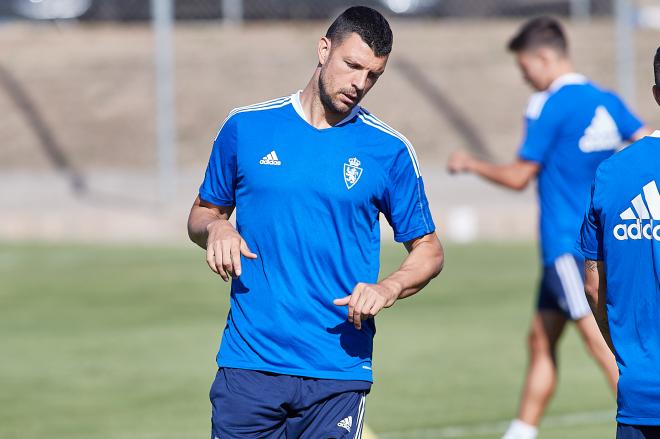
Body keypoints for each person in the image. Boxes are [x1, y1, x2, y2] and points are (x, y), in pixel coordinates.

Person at [187, 6, 444, 438]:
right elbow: (202, 213)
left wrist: (388, 287)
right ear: (324, 49)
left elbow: (429, 250)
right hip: (249, 363)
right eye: (353, 66)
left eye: (373, 75)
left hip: (338, 368)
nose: (360, 84)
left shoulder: (389, 150)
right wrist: (217, 227)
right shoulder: (246, 127)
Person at [447, 17, 649, 439]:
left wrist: (471, 164)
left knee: (600, 342)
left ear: (543, 57)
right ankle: (522, 431)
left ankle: (643, 416)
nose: (527, 80)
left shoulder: (549, 104)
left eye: (525, 70)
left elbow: (521, 176)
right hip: (593, 245)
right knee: (540, 341)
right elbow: (647, 139)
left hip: (569, 247)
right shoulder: (605, 99)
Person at [578, 47, 660, 439]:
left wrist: (626, 352)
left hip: (638, 393)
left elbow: (593, 287)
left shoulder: (611, 174)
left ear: (657, 94)